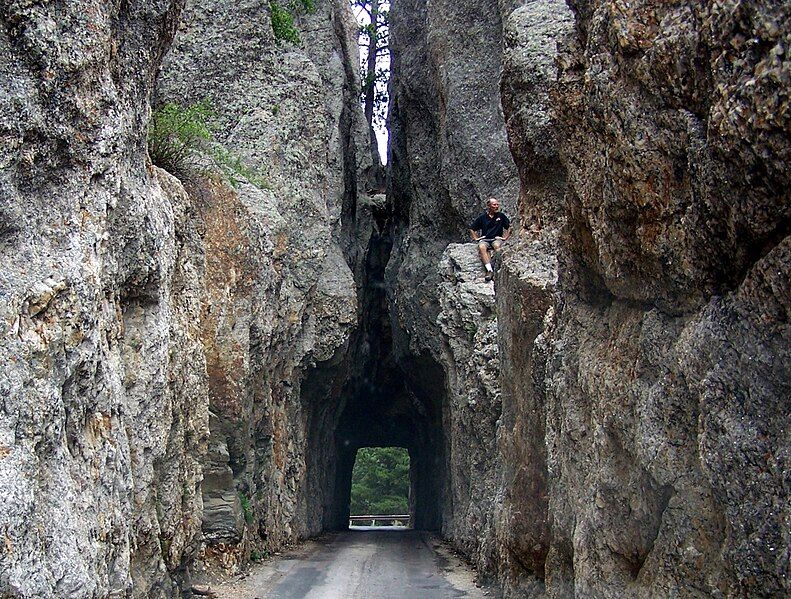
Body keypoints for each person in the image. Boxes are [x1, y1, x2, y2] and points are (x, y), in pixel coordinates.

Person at [469, 197, 511, 281]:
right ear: (489, 206)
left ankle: (497, 267)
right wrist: (476, 238)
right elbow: (472, 228)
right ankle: (489, 270)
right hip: (485, 239)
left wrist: (505, 237)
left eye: (497, 204)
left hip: (496, 238)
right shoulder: (482, 217)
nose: (496, 206)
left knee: (497, 246)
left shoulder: (501, 216)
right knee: (481, 247)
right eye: (494, 205)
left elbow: (509, 227)